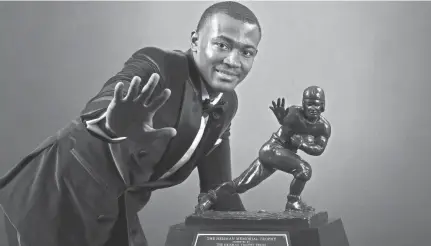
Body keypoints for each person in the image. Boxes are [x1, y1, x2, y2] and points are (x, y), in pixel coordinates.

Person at [0, 1, 262, 246]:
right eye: (222, 45)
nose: (233, 61)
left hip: (113, 214)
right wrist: (111, 125)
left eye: (246, 51)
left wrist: (270, 231)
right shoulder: (159, 65)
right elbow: (103, 106)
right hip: (48, 202)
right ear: (195, 41)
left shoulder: (226, 103)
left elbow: (218, 190)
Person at [195, 86, 332, 213]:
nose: (313, 108)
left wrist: (301, 144)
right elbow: (287, 126)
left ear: (323, 106)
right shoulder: (294, 113)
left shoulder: (323, 127)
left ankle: (209, 198)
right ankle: (293, 201)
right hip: (273, 149)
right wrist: (283, 121)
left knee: (242, 184)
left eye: (317, 104)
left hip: (282, 155)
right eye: (309, 104)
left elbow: (319, 149)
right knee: (304, 169)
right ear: (303, 104)